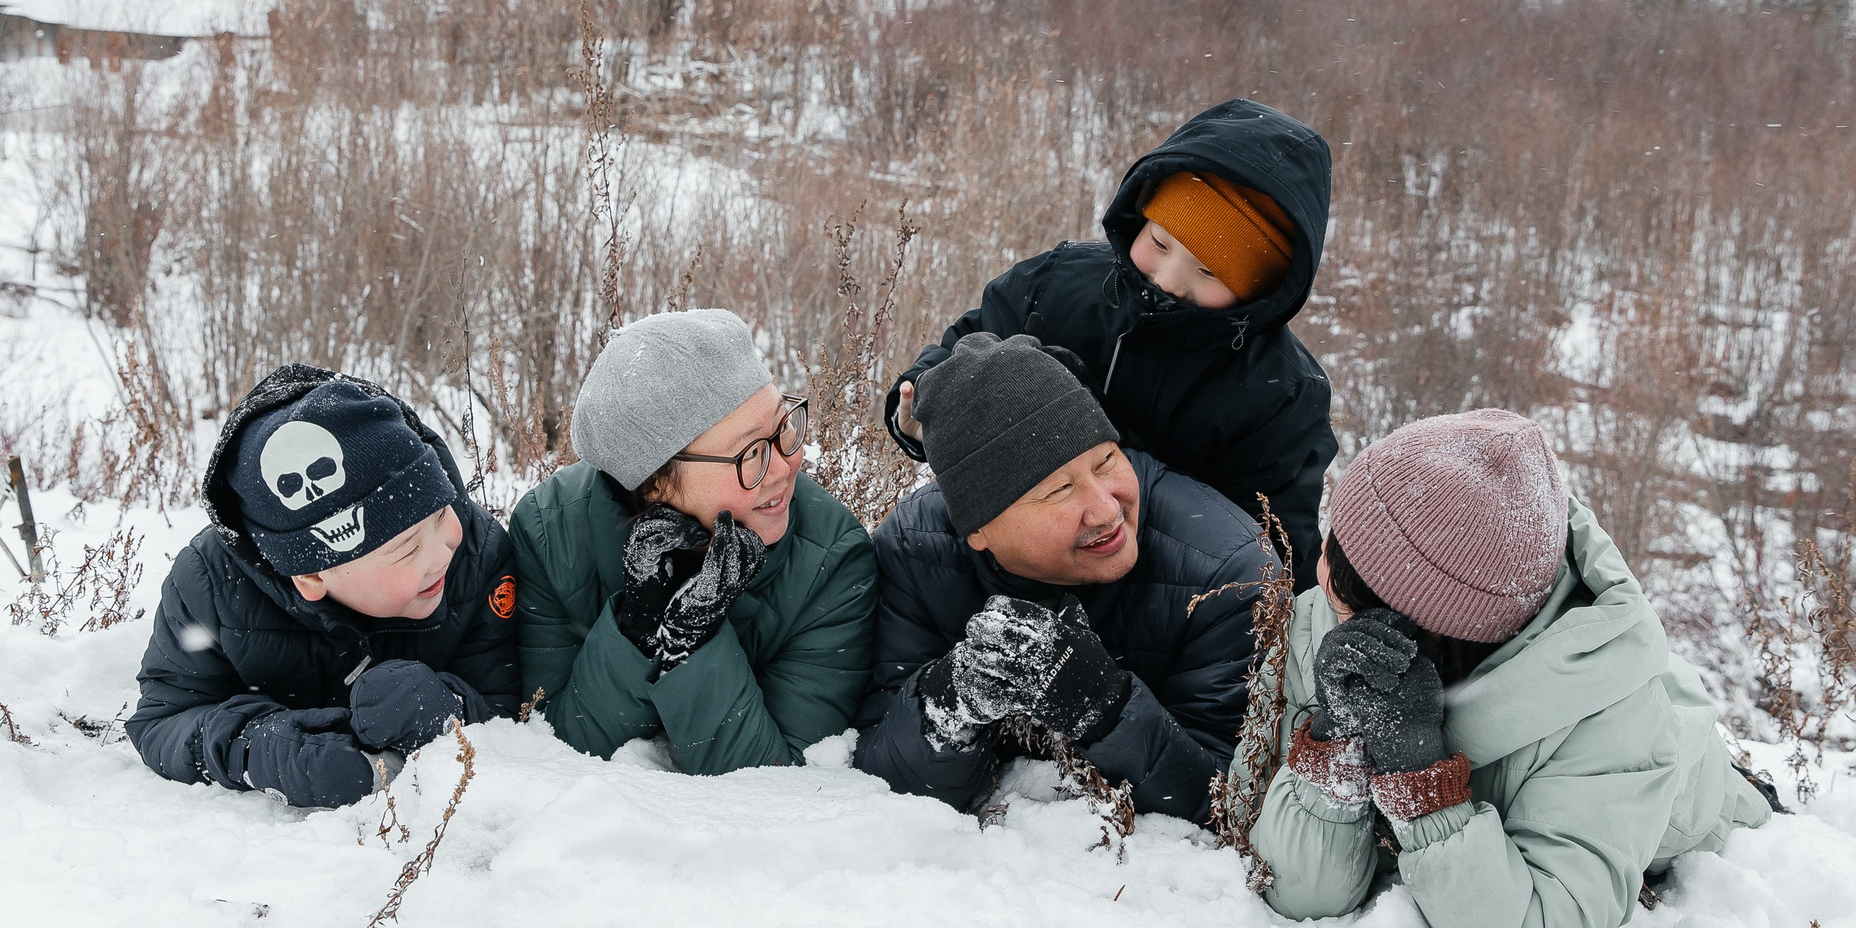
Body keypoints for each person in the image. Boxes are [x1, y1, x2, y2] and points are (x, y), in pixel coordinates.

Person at [1233, 409, 1779, 928]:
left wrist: (1422, 786)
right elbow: (1293, 891)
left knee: (1696, 769)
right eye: (1333, 547)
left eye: (1342, 587)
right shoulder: (1335, 618)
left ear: (1418, 631)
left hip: (1683, 786)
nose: (1319, 580)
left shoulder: (1616, 719)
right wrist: (1337, 742)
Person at [887, 97, 1337, 589]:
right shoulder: (1060, 285)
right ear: (1140, 215)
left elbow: (1273, 545)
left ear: (1260, 290)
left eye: (1208, 271)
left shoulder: (1282, 394)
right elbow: (971, 349)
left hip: (1164, 600)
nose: (1167, 279)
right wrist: (924, 406)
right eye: (1160, 243)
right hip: (1014, 558)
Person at [857, 331, 1275, 823]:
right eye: (1058, 491)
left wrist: (1105, 708)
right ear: (978, 529)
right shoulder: (915, 550)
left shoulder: (1225, 572)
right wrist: (948, 703)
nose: (1106, 510)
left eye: (1106, 460)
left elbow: (1227, 806)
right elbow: (875, 778)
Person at [131, 365, 520, 809]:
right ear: (313, 576)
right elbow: (165, 719)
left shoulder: (478, 554)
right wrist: (261, 750)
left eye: (439, 513)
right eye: (407, 550)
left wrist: (444, 706)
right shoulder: (209, 588)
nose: (443, 550)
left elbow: (505, 701)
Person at [510, 309, 876, 773]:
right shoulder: (550, 535)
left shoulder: (833, 564)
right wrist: (636, 631)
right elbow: (548, 756)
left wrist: (691, 642)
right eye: (752, 453)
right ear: (656, 480)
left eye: (783, 429)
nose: (785, 467)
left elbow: (784, 790)